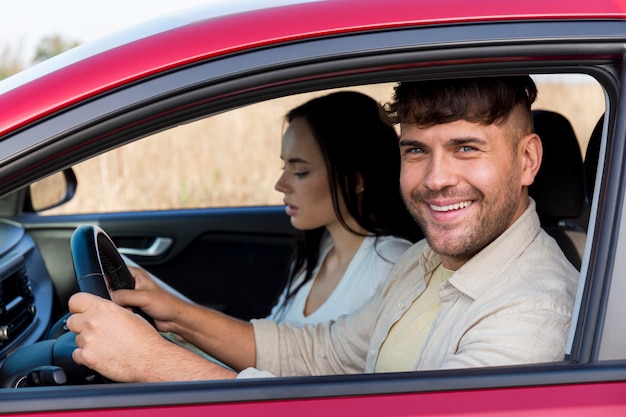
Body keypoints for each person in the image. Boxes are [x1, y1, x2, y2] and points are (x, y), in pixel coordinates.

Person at [67, 76, 579, 382]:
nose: (437, 179)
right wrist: (173, 313)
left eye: (466, 148)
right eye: (416, 150)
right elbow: (321, 354)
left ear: (528, 160)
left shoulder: (533, 309)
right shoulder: (425, 261)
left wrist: (153, 363)